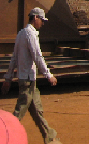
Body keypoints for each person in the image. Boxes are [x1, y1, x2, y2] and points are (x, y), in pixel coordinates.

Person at [1, 8, 61, 143]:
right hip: (27, 81)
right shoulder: (30, 34)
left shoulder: (21, 34)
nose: (43, 24)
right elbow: (37, 56)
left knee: (38, 111)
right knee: (18, 113)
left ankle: (50, 138)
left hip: (29, 80)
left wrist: (8, 78)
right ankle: (5, 135)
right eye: (42, 20)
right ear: (35, 18)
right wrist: (48, 75)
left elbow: (14, 58)